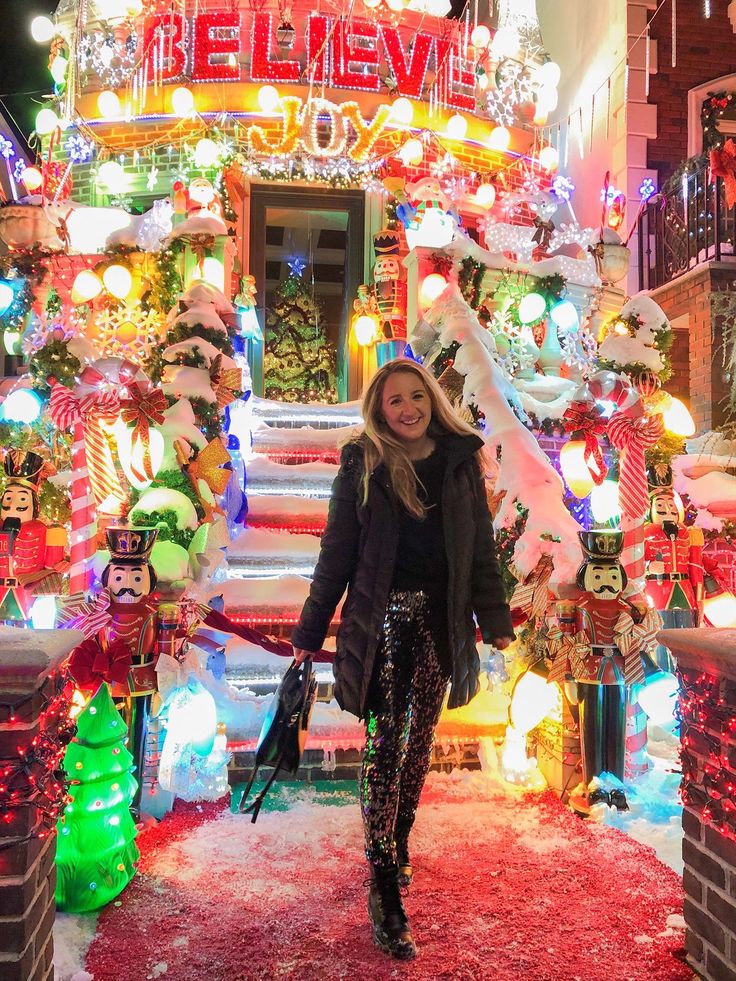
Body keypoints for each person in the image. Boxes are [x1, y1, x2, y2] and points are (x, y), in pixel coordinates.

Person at [291, 359, 514, 961]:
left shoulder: (460, 462)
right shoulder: (362, 463)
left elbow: (480, 551)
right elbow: (336, 554)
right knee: (387, 742)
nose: (409, 408)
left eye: (418, 396)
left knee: (419, 745)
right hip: (383, 622)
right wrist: (311, 629)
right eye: (396, 401)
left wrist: (494, 621)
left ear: (433, 401)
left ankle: (397, 839)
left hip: (442, 624)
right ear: (378, 409)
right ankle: (383, 875)